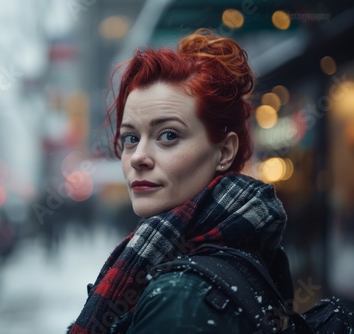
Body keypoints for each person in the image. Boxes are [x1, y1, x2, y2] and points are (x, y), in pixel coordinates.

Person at [67, 28, 289, 334]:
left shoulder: (181, 298)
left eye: (168, 135)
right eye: (130, 138)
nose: (138, 157)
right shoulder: (244, 251)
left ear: (224, 151)